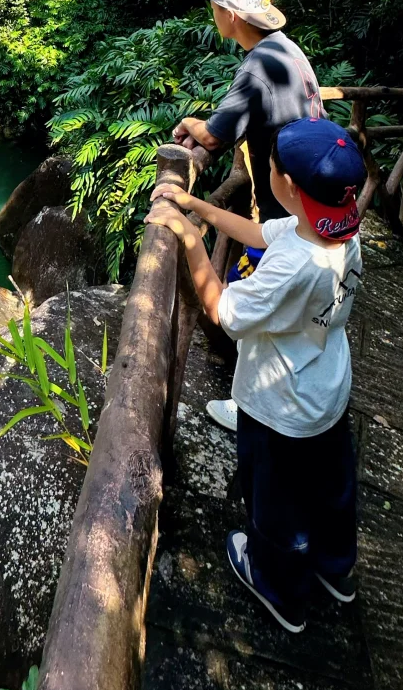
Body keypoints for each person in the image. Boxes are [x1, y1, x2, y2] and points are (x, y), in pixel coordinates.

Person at [147, 116, 365, 634]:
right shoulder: (337, 227)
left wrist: (189, 238)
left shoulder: (293, 268)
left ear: (286, 185)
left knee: (275, 501)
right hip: (327, 390)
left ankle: (278, 588)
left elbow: (223, 310)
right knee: (331, 487)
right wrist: (200, 208)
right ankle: (337, 570)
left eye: (268, 165)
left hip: (281, 406)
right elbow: (262, 231)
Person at [172, 0, 324, 433]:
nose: (214, 15)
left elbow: (215, 139)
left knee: (269, 303)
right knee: (298, 303)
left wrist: (190, 125)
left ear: (231, 15)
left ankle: (257, 406)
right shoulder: (286, 50)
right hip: (315, 197)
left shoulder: (257, 65)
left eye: (216, 9)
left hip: (290, 202)